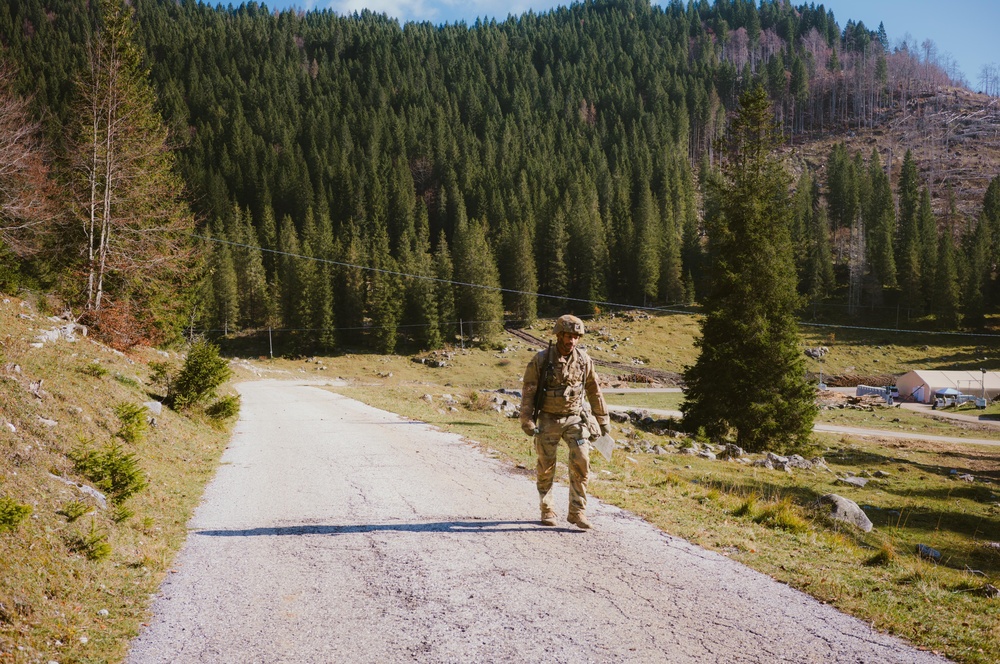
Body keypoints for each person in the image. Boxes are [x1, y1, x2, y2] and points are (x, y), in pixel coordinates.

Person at [520, 314, 610, 530]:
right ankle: (547, 508)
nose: (572, 341)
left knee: (582, 462)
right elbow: (529, 391)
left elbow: (594, 390)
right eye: (568, 336)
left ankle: (577, 512)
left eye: (576, 337)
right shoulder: (541, 359)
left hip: (575, 418)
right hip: (548, 419)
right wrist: (526, 419)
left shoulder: (584, 360)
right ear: (559, 335)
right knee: (546, 467)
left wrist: (602, 419)